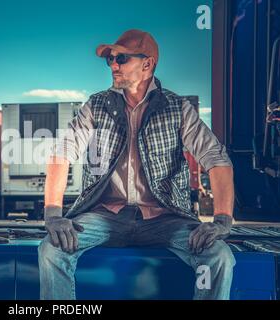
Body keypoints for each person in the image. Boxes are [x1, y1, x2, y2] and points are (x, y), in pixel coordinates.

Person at [38, 29, 236, 300]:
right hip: (105, 216)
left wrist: (222, 220)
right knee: (52, 249)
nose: (114, 66)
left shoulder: (176, 108)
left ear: (147, 64)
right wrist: (53, 215)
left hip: (165, 218)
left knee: (219, 256)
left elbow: (216, 159)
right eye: (110, 60)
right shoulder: (97, 105)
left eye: (121, 59)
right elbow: (61, 153)